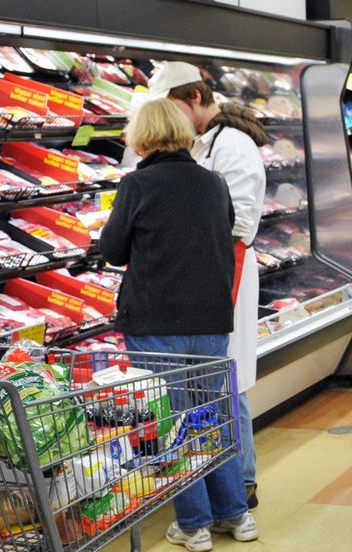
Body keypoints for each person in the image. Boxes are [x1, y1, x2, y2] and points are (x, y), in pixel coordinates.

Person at [99, 98, 257, 552]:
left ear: (142, 137)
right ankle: (235, 514)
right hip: (210, 318)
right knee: (211, 414)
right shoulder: (213, 183)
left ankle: (193, 523)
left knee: (172, 420)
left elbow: (113, 250)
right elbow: (223, 232)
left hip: (156, 318)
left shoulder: (137, 184)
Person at [145, 61, 267, 508]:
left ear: (194, 97)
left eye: (173, 105)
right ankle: (222, 482)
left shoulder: (232, 145)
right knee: (216, 381)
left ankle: (243, 480)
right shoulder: (202, 143)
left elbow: (241, 222)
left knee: (225, 380)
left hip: (226, 270)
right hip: (207, 273)